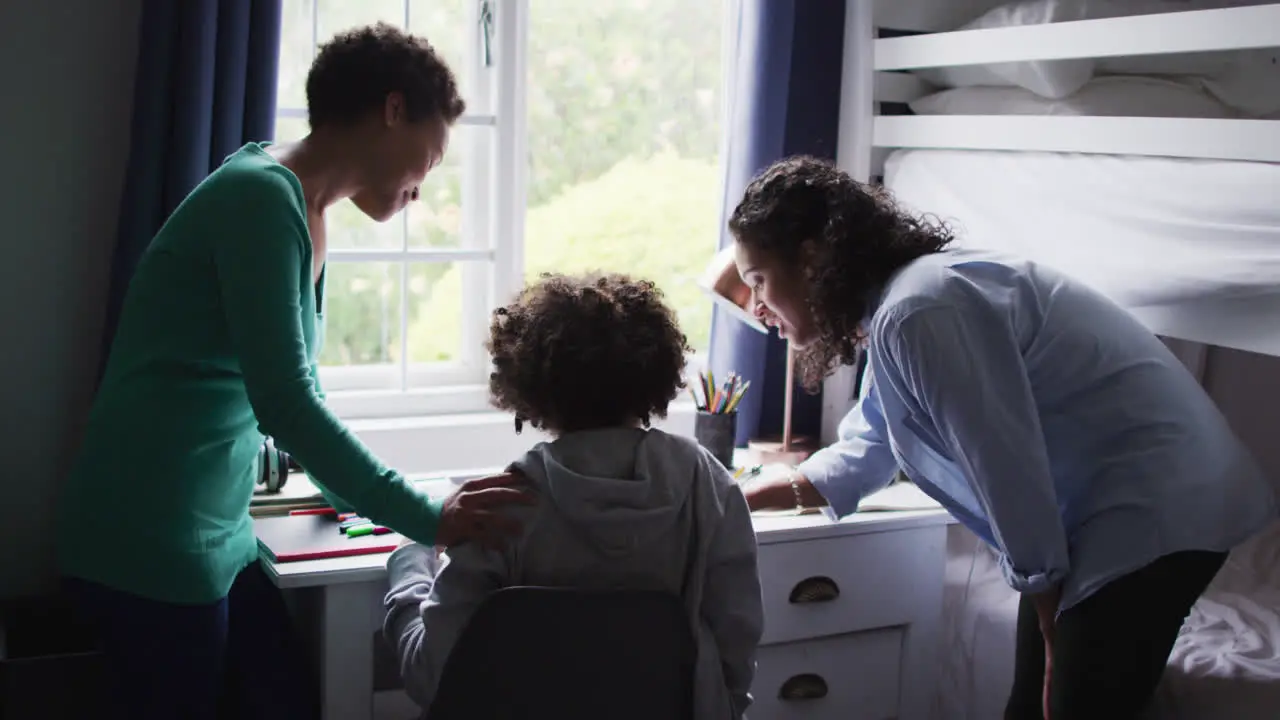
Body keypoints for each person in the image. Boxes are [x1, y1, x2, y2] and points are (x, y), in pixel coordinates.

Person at [57, 23, 529, 720]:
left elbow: (266, 390)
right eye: (433, 156)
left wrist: (348, 495)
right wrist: (426, 517)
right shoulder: (259, 196)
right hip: (152, 536)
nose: (425, 183)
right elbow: (286, 400)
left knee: (286, 699)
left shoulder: (306, 209)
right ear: (393, 110)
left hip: (219, 533)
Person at [728, 156, 1276, 720]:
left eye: (758, 281)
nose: (758, 306)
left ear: (813, 257)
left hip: (1160, 504)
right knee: (1033, 704)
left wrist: (1046, 608)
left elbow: (1005, 467)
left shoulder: (921, 310)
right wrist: (738, 497)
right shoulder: (900, 306)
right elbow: (870, 446)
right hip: (1115, 509)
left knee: (1071, 705)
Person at [383, 272, 764, 719]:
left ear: (528, 385)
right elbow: (736, 655)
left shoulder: (505, 505)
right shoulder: (710, 486)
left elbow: (430, 677)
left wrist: (410, 560)